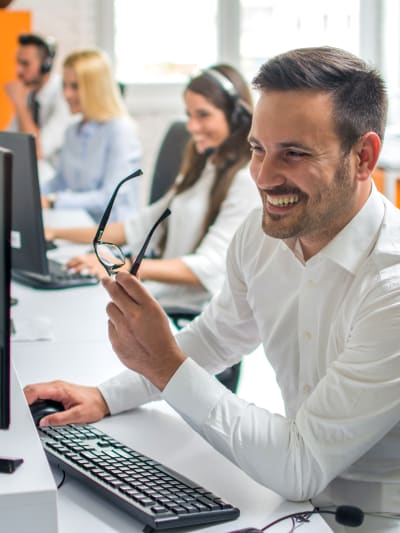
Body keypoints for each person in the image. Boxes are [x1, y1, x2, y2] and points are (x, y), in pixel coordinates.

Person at [25, 47, 400, 532]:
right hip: (290, 505)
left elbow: (299, 463)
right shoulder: (262, 234)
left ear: (364, 156)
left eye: (294, 153)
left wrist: (163, 364)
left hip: (372, 520)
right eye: (258, 149)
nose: (263, 177)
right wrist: (106, 395)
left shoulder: (391, 286)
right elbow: (218, 337)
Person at [43, 64, 259, 311]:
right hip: (163, 296)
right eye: (189, 115)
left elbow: (208, 267)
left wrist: (122, 265)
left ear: (235, 116)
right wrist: (55, 233)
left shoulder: (244, 180)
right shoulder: (205, 167)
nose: (192, 127)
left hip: (193, 311)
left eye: (203, 115)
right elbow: (136, 227)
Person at [40, 48, 142, 223]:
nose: (67, 94)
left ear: (95, 89)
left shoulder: (120, 131)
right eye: (64, 85)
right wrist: (30, 196)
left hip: (110, 237)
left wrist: (53, 201)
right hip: (79, 225)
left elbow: (109, 198)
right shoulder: (72, 131)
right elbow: (60, 181)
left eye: (75, 87)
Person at [4, 33, 73, 182]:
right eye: (18, 63)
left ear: (45, 65)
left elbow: (36, 150)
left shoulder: (64, 95)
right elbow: (7, 142)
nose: (18, 71)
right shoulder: (31, 95)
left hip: (58, 180)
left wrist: (20, 104)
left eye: (25, 64)